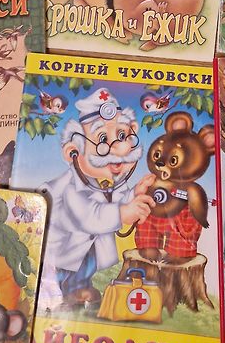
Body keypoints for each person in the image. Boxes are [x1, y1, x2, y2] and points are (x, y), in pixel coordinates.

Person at [42, 88, 155, 309]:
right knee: (62, 273)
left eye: (121, 136)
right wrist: (123, 213)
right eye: (103, 138)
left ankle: (79, 287)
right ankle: (60, 296)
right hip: (63, 250)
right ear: (73, 152)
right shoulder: (71, 188)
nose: (118, 147)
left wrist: (135, 193)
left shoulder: (106, 182)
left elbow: (117, 199)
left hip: (87, 247)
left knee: (86, 266)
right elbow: (89, 217)